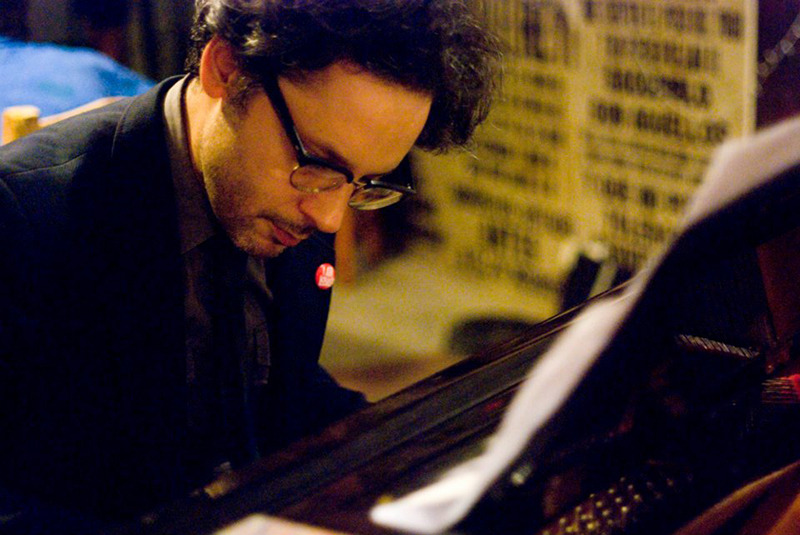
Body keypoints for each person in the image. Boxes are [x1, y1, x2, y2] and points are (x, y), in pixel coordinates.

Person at [0, 0, 501, 531]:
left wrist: (414, 455)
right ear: (226, 68)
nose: (330, 218)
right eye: (318, 163)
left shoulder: (292, 202)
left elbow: (278, 389)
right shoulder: (24, 220)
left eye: (364, 183)